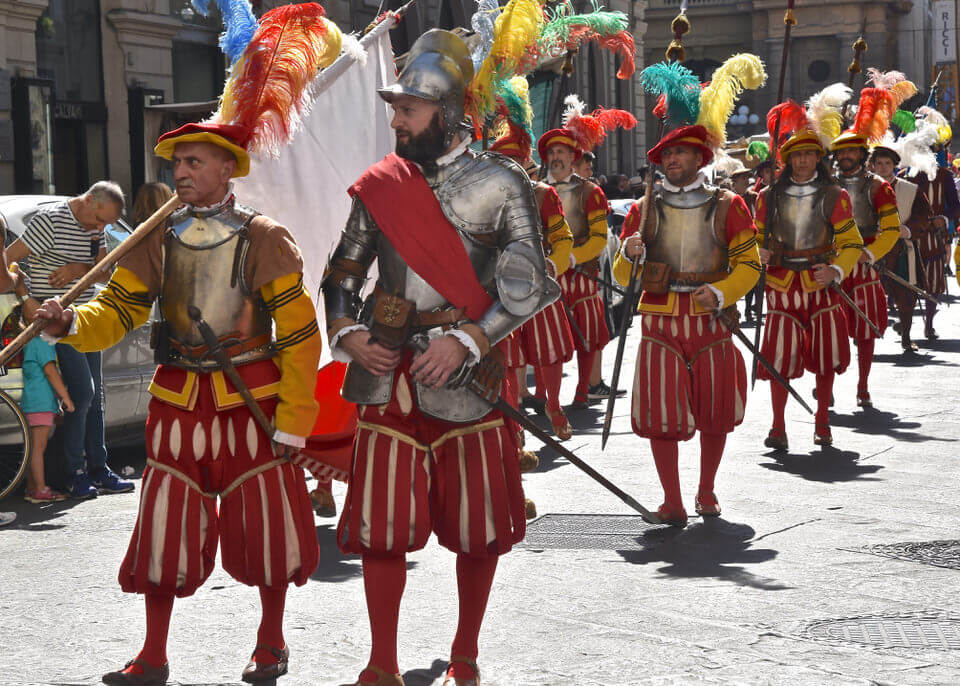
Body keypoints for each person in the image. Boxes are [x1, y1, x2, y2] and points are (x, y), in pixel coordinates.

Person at [34, 6, 340, 681]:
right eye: (177, 162)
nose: (182, 172)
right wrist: (67, 324)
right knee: (163, 529)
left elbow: (298, 335)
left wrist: (295, 421)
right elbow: (116, 312)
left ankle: (270, 639)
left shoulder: (266, 238)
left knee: (264, 527)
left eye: (194, 162)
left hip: (250, 400)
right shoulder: (154, 239)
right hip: (175, 399)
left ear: (227, 169)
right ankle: (152, 652)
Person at [322, 30, 555, 686]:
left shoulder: (503, 181)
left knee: (479, 526)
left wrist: (470, 340)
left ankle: (466, 651)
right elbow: (342, 275)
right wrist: (346, 331)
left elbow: (528, 281)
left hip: (469, 372)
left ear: (446, 112)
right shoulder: (380, 186)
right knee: (379, 527)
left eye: (407, 110)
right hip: (387, 366)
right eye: (395, 109)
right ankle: (381, 662)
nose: (394, 120)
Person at [614, 124, 761, 525]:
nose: (672, 159)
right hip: (659, 320)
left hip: (709, 317)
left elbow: (750, 266)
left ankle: (707, 489)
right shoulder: (642, 208)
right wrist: (629, 252)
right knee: (661, 412)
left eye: (680, 152)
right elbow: (623, 277)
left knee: (715, 408)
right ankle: (672, 501)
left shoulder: (729, 205)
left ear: (701, 158)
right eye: (666, 154)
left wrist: (721, 292)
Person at [5, 181, 133, 500]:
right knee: (82, 392)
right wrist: (26, 298)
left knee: (96, 397)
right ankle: (74, 471)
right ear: (89, 201)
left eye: (106, 224)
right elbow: (10, 258)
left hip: (86, 318)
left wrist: (78, 268)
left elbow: (103, 271)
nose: (101, 228)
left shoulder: (94, 226)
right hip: (55, 321)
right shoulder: (49, 221)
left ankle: (98, 468)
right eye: (100, 220)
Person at [756, 128, 862, 449]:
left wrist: (835, 270)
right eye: (796, 155)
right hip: (781, 283)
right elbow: (751, 239)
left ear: (818, 157)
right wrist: (755, 252)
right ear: (787, 160)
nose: (802, 160)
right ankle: (777, 426)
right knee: (778, 359)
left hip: (820, 281)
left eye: (808, 154)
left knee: (825, 354)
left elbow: (852, 243)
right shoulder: (767, 197)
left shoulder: (835, 195)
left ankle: (822, 422)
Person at [831, 125, 900, 409]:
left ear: (862, 154)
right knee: (828, 326)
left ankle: (863, 385)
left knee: (865, 329)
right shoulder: (827, 186)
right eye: (841, 150)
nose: (846, 155)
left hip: (863, 265)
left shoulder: (878, 187)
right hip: (833, 263)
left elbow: (892, 229)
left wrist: (870, 254)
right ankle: (827, 382)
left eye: (851, 150)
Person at [869, 145, 931, 352]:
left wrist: (910, 229)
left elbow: (924, 217)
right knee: (865, 292)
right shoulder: (863, 189)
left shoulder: (910, 190)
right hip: (871, 248)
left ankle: (905, 335)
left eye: (888, 163)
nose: (884, 167)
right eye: (879, 163)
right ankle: (863, 335)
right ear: (873, 165)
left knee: (906, 296)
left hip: (902, 249)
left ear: (895, 166)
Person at [18, 296, 74, 502]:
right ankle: (41, 490)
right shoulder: (42, 343)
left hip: (35, 402)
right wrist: (66, 398)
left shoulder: (32, 342)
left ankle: (32, 488)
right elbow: (50, 372)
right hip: (39, 403)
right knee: (38, 448)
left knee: (34, 447)